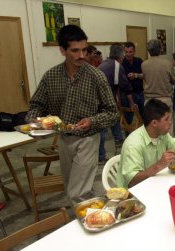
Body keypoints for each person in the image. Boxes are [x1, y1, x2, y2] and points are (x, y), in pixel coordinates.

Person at [26, 25, 119, 200]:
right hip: (64, 139)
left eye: (84, 50)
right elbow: (35, 106)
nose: (82, 55)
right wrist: (37, 121)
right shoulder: (50, 77)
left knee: (78, 193)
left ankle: (87, 224)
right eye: (75, 51)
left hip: (89, 139)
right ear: (62, 50)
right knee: (72, 188)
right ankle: (86, 219)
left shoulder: (96, 76)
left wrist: (92, 120)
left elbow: (113, 112)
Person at [116, 99, 175, 188]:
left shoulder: (162, 134)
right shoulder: (133, 144)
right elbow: (132, 181)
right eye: (166, 119)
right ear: (154, 123)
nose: (170, 122)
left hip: (155, 182)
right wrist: (160, 165)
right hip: (133, 193)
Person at [98, 44, 134, 161]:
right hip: (106, 102)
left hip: (99, 101)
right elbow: (125, 86)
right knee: (104, 130)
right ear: (121, 56)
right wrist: (132, 102)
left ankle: (118, 149)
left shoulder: (103, 64)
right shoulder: (117, 66)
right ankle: (104, 156)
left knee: (114, 123)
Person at [142, 39, 175, 135]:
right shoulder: (167, 64)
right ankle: (169, 148)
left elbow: (144, 79)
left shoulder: (144, 64)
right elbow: (174, 80)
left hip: (149, 100)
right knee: (168, 127)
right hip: (164, 99)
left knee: (151, 128)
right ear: (160, 50)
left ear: (148, 51)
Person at [122, 41, 145, 123]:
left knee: (143, 116)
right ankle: (128, 135)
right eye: (126, 52)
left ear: (134, 52)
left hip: (140, 93)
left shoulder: (139, 61)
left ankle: (144, 133)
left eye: (130, 52)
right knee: (128, 118)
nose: (128, 54)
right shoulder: (121, 63)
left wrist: (136, 75)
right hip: (127, 96)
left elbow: (145, 75)